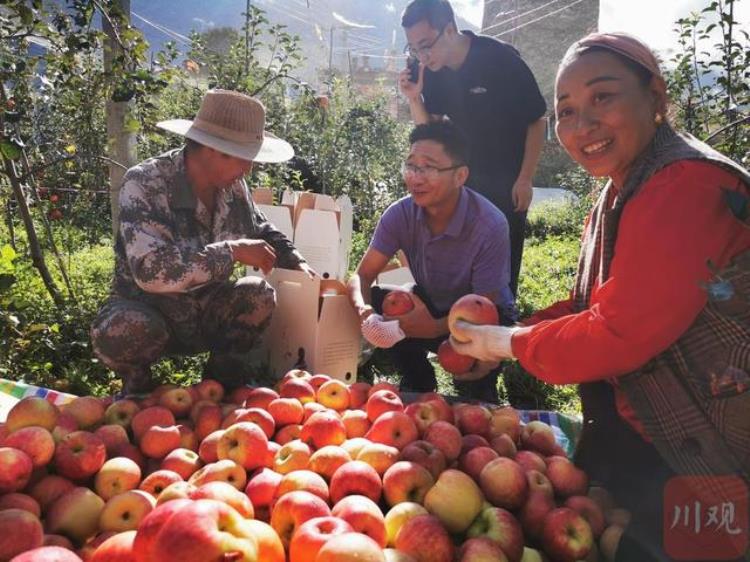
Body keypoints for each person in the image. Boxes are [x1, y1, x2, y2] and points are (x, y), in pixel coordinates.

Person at [450, 32, 750, 561]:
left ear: (655, 96)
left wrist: (505, 343)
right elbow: (594, 305)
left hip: (709, 455)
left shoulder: (685, 185)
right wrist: (495, 334)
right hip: (646, 434)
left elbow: (618, 331)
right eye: (565, 110)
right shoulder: (618, 190)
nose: (580, 125)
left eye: (602, 97)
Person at [91, 90, 314, 395]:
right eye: (244, 159)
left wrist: (294, 258)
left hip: (206, 310)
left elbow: (258, 225)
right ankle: (139, 390)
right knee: (124, 328)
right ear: (212, 150)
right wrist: (231, 252)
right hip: (150, 312)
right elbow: (151, 271)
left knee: (258, 296)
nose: (248, 169)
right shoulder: (145, 183)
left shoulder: (233, 185)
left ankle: (219, 387)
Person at [347, 119, 516, 402]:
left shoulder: (489, 224)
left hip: (480, 312)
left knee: (475, 394)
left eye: (428, 167)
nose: (415, 177)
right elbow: (362, 276)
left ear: (460, 175)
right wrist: (365, 312)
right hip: (429, 299)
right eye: (411, 166)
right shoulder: (400, 214)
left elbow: (483, 305)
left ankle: (481, 386)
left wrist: (434, 327)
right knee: (384, 297)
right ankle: (417, 378)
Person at [399, 0, 547, 296]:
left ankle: (500, 325)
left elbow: (537, 120)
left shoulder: (500, 60)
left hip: (507, 182)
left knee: (501, 272)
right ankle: (453, 328)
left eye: (426, 45)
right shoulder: (435, 74)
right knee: (458, 262)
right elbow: (430, 134)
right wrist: (415, 98)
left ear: (450, 29)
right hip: (462, 179)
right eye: (414, 49)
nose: (422, 57)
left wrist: (525, 178)